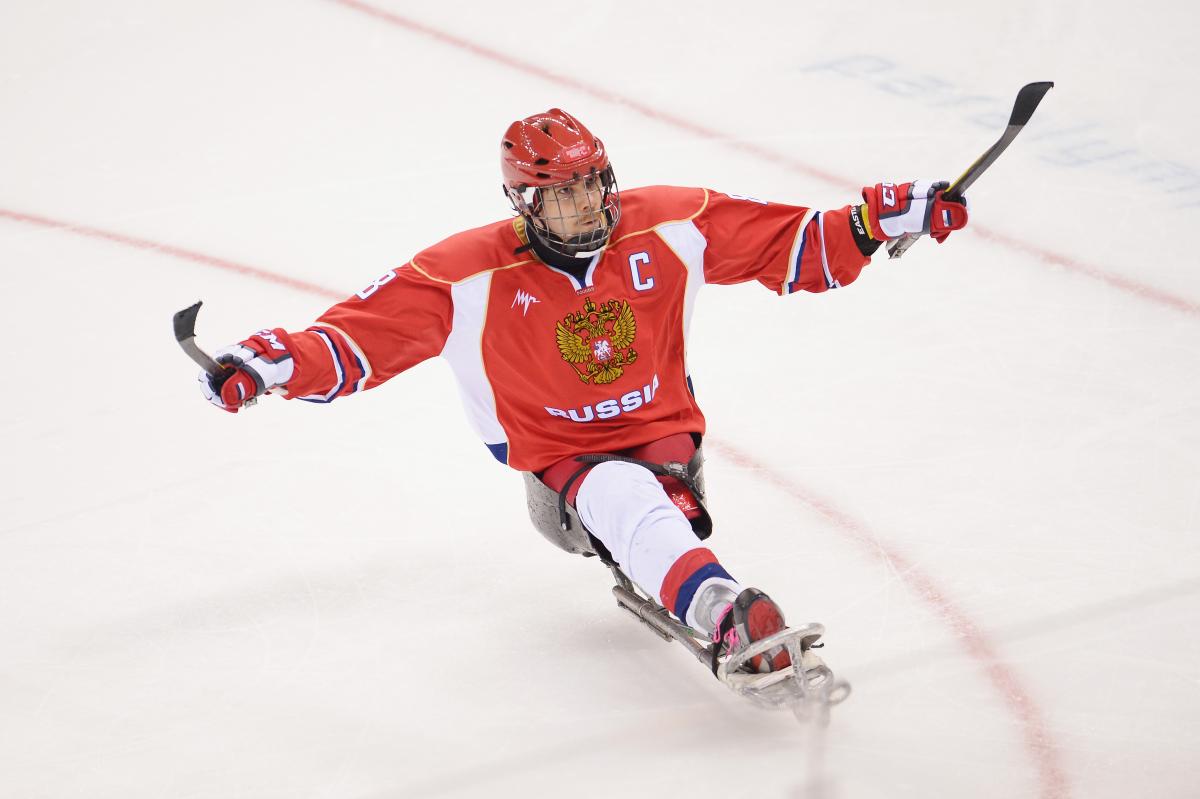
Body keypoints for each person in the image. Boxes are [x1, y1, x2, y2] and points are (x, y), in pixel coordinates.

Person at [198, 108, 968, 675]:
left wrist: (879, 217)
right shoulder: (463, 273)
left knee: (653, 493)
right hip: (559, 460)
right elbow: (354, 340)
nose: (588, 205)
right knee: (623, 496)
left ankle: (679, 545)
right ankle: (723, 611)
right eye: (563, 193)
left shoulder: (668, 221)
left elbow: (793, 244)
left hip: (670, 439)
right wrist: (270, 364)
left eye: (595, 184)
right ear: (524, 203)